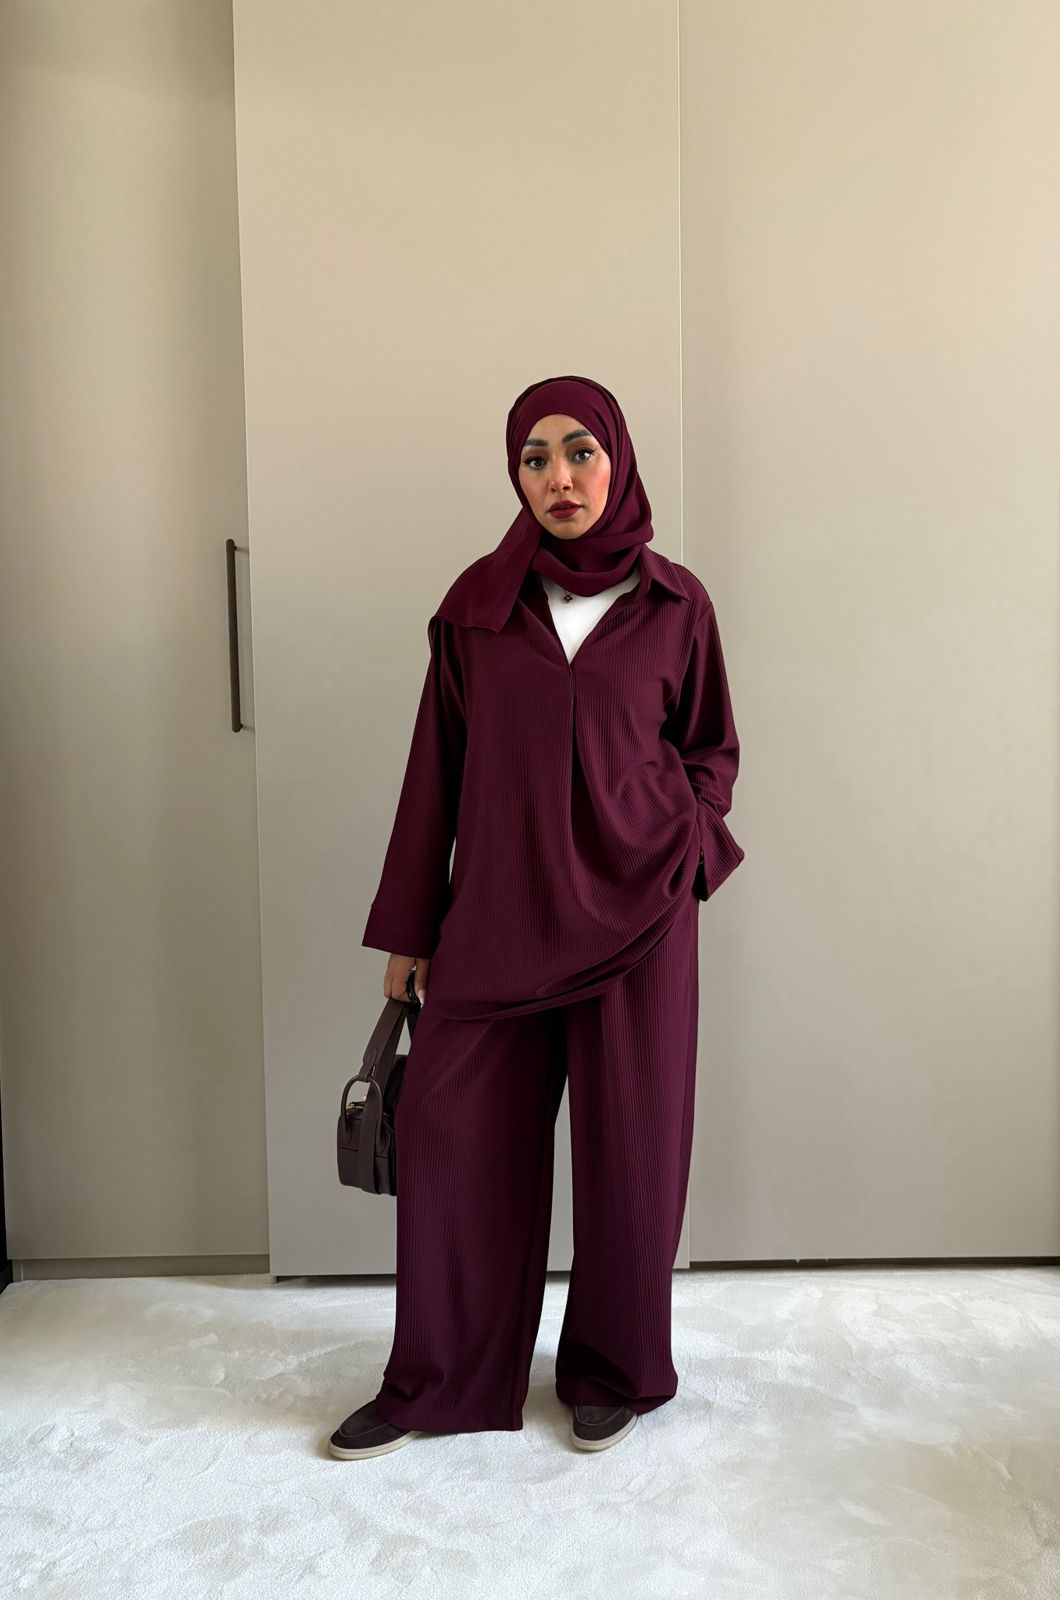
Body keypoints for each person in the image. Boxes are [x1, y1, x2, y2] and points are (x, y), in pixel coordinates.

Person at [328, 373, 745, 1459]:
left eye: (580, 452)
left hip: (641, 918)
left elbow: (710, 748)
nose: (560, 477)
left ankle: (612, 1368)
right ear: (515, 475)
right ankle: (441, 1376)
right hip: (499, 916)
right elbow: (435, 773)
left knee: (631, 1154)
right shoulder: (477, 607)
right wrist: (411, 929)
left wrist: (690, 843)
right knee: (452, 1139)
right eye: (535, 457)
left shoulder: (676, 604)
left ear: (618, 458)